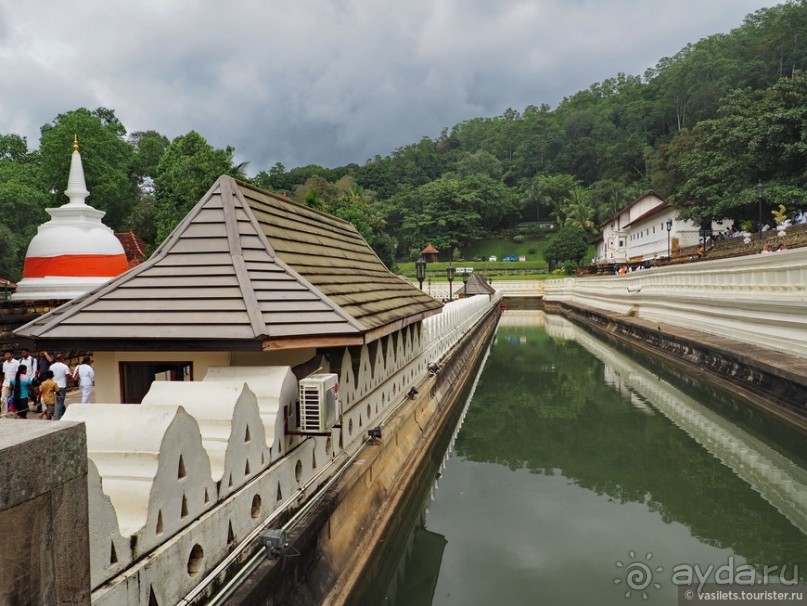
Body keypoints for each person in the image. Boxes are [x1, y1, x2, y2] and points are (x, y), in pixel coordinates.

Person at [50, 353, 70, 419]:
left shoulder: (52, 366)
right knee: (60, 402)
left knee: (59, 401)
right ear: (62, 359)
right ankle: (58, 417)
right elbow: (68, 375)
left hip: (53, 385)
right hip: (62, 385)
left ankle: (64, 413)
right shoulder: (64, 366)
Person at [1, 349, 19, 416]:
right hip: (6, 383)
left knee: (15, 399)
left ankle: (17, 414)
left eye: (8, 354)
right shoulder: (4, 363)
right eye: (5, 354)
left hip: (14, 384)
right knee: (3, 399)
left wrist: (12, 383)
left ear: (12, 355)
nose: (6, 355)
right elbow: (4, 374)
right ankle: (3, 415)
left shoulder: (16, 363)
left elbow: (17, 374)